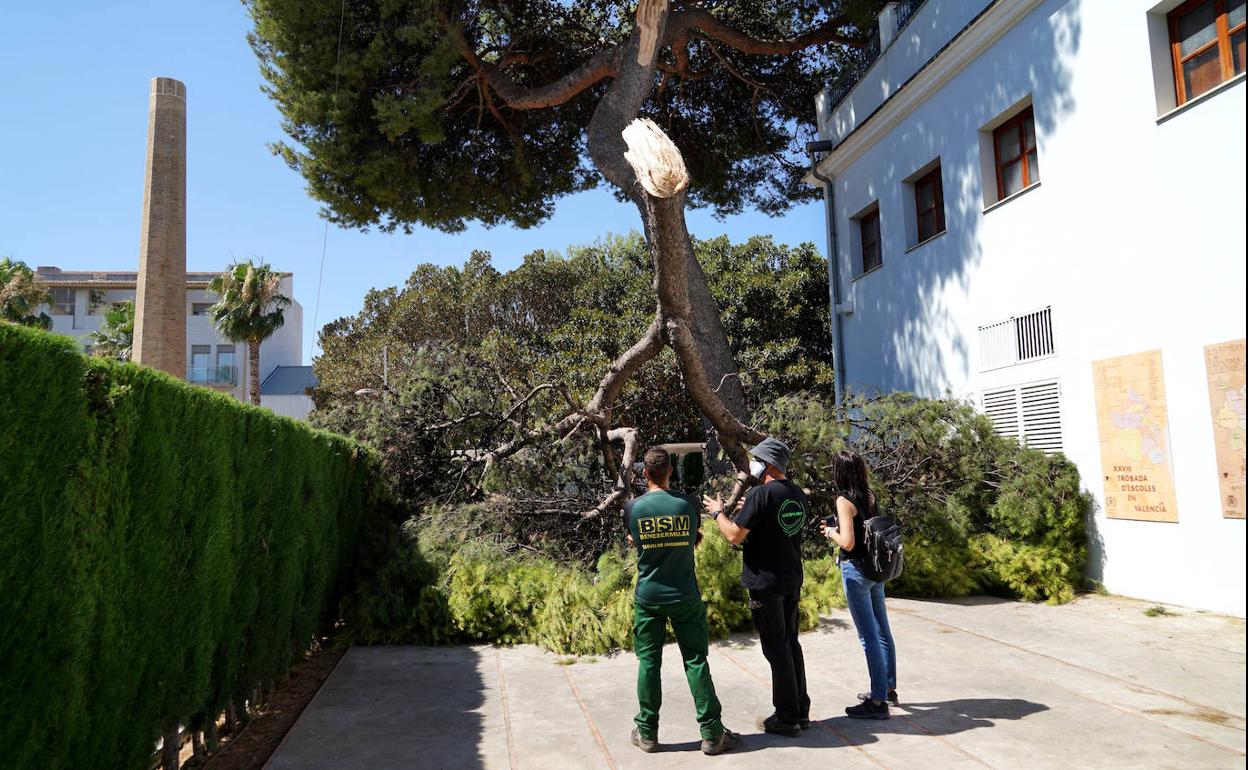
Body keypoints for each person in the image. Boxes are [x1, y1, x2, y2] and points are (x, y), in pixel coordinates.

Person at [626, 447, 742, 756]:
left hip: (648, 596)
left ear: (644, 474)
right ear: (670, 473)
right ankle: (712, 733)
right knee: (695, 660)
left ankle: (647, 732)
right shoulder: (687, 504)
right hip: (685, 595)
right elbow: (695, 538)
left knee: (649, 662)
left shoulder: (632, 508)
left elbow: (635, 541)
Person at [703, 436, 810, 737]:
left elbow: (734, 535)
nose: (753, 465)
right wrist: (748, 507)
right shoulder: (797, 494)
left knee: (776, 649)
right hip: (790, 579)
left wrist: (717, 513)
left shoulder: (761, 495)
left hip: (766, 584)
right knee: (790, 643)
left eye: (757, 460)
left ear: (769, 464)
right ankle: (801, 712)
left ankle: (786, 718)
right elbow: (773, 528)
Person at [821, 449, 898, 720]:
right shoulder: (870, 495)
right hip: (876, 570)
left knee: (868, 637)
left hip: (856, 571)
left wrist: (831, 532)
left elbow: (848, 542)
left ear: (839, 472)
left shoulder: (844, 500)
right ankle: (887, 688)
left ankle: (877, 703)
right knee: (882, 630)